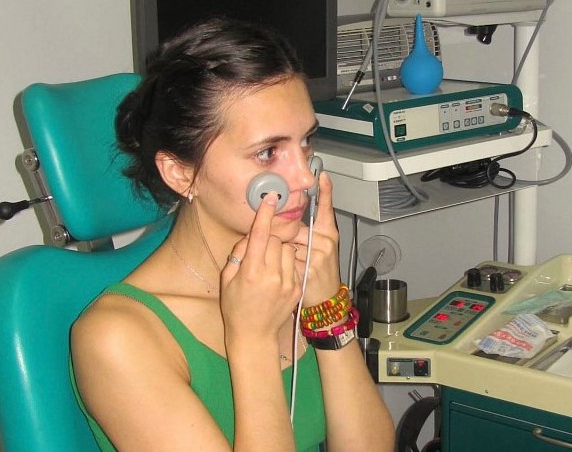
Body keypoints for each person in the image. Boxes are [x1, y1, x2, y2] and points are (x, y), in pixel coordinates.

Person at [70, 17, 394, 451]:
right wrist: (253, 342)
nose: (305, 177)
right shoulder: (117, 338)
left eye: (305, 143)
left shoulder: (293, 276)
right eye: (268, 152)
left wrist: (327, 309)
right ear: (181, 173)